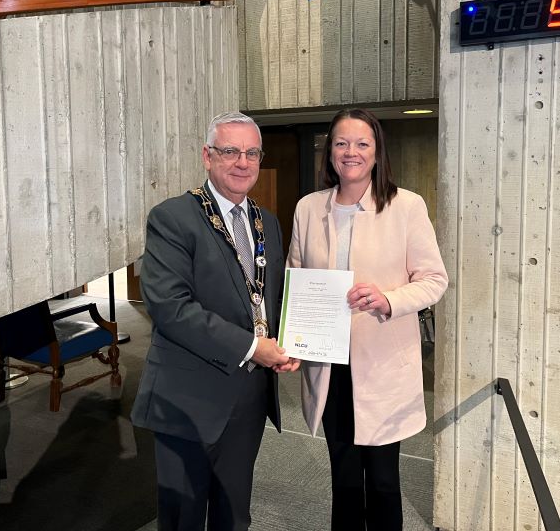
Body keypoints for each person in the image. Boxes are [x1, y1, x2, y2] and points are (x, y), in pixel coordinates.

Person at [131, 112, 298, 531]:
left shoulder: (268, 223)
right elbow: (171, 307)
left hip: (249, 395)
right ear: (207, 157)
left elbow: (268, 298)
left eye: (251, 153)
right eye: (229, 151)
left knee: (234, 513)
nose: (242, 162)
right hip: (189, 397)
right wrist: (251, 346)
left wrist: (289, 340)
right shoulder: (172, 217)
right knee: (183, 518)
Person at [287, 108, 448, 530]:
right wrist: (294, 339)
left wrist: (388, 299)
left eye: (362, 143)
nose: (350, 152)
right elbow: (295, 281)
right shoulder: (308, 208)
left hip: (381, 365)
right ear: (330, 153)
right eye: (341, 143)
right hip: (329, 363)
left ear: (377, 153)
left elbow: (434, 280)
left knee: (381, 480)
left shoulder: (405, 206)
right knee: (342, 478)